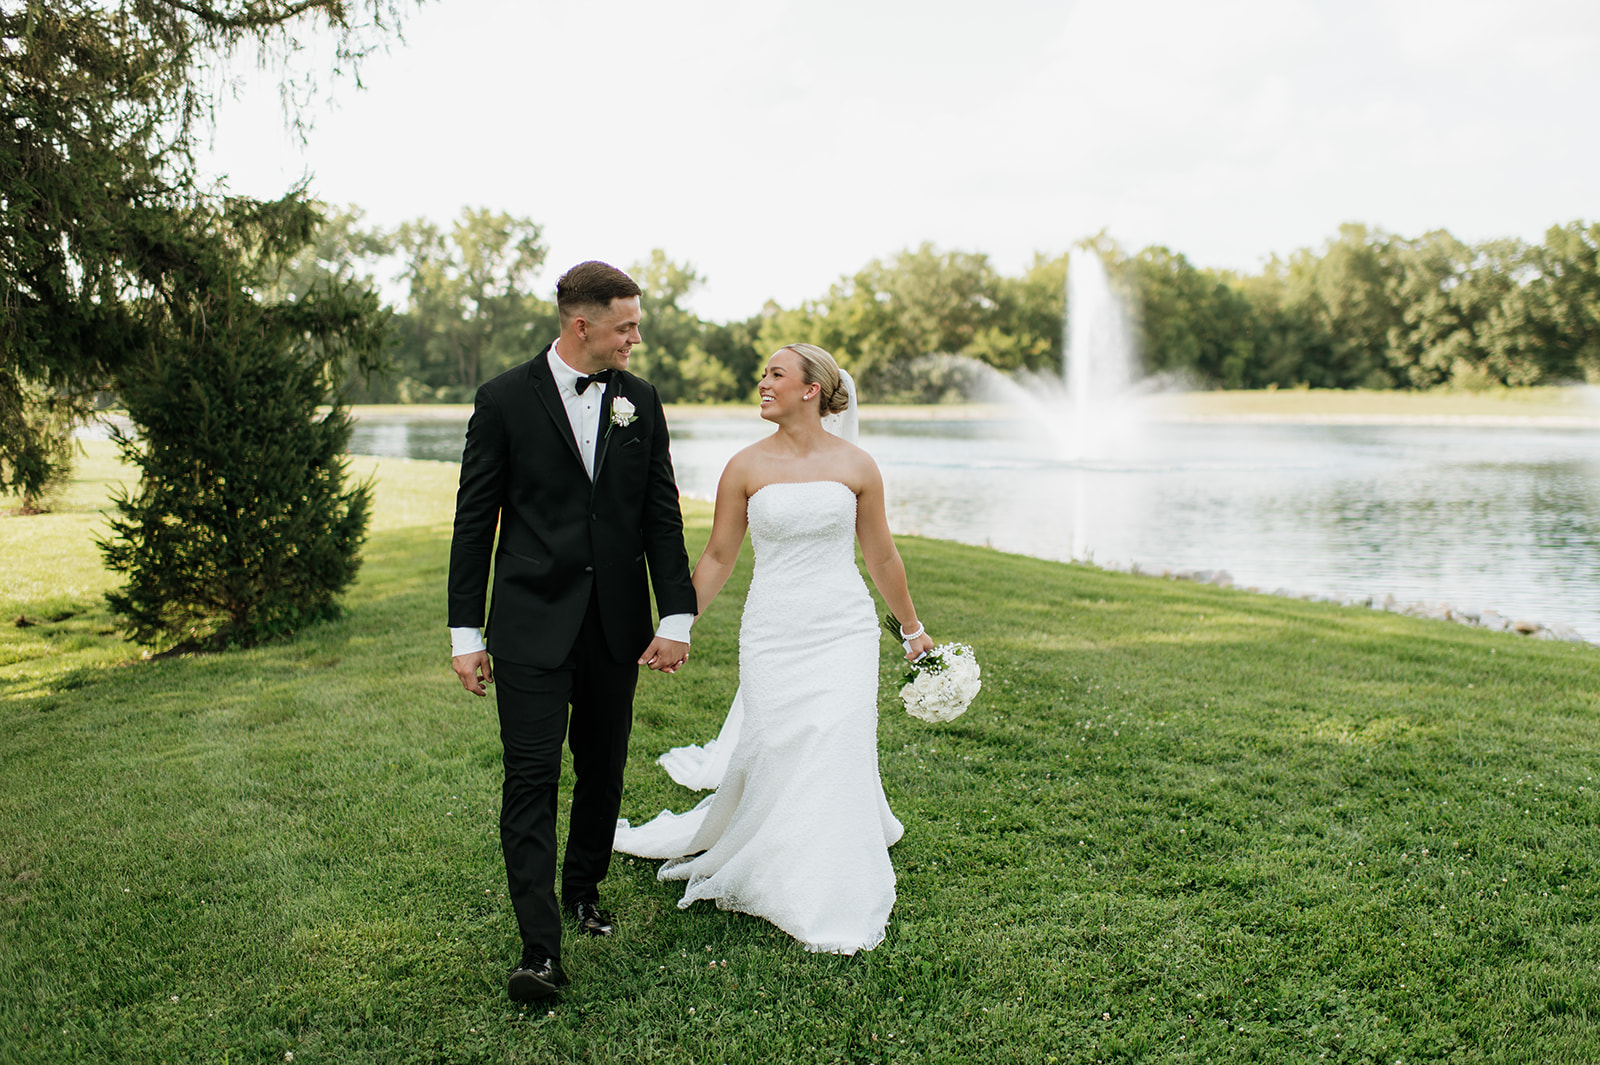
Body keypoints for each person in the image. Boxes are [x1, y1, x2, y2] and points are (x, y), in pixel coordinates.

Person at [613, 343, 935, 954]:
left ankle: (826, 877)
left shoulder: (858, 465)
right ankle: (771, 851)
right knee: (781, 743)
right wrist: (676, 623)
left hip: (842, 627)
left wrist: (913, 629)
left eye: (775, 375)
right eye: (765, 374)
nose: (762, 383)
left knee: (834, 738)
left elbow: (882, 555)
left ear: (811, 389)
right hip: (774, 631)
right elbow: (716, 557)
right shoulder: (744, 467)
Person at [447, 261, 697, 1002]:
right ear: (580, 325)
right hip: (528, 623)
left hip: (615, 623)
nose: (636, 337)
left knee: (603, 767)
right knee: (531, 778)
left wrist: (674, 614)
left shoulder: (640, 402)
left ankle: (585, 887)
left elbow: (660, 513)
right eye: (626, 325)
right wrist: (467, 631)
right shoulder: (501, 400)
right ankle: (539, 949)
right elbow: (473, 521)